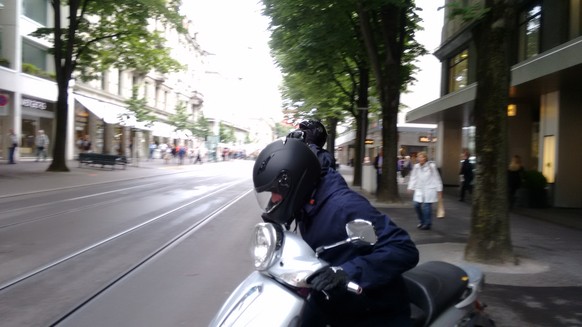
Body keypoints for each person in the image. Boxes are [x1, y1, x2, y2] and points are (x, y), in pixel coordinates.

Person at [253, 138, 419, 326]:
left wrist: (346, 272)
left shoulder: (343, 207)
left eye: (276, 192)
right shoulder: (307, 205)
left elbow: (404, 248)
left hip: (376, 308)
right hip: (334, 297)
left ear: (296, 184)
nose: (274, 199)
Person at [407, 151, 443, 230]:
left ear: (425, 158)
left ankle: (427, 223)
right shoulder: (416, 167)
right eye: (419, 157)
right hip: (419, 188)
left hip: (429, 188)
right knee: (416, 205)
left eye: (422, 157)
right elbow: (413, 177)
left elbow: (437, 178)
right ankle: (422, 221)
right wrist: (410, 187)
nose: (420, 159)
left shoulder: (431, 166)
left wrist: (439, 189)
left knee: (426, 207)